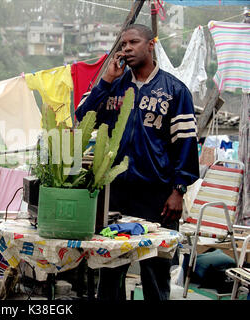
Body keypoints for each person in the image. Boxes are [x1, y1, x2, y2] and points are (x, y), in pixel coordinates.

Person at [75, 24, 200, 300]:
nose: (127, 48)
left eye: (134, 42)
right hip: (115, 194)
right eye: (123, 44)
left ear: (151, 44)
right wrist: (106, 81)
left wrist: (178, 190)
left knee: (155, 275)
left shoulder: (175, 91)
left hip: (158, 198)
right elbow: (82, 118)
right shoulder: (113, 86)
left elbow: (187, 146)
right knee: (109, 273)